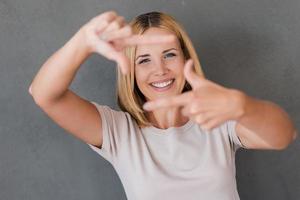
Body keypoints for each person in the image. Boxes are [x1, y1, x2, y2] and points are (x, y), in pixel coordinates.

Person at [29, 10, 297, 200]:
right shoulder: (117, 131)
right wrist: (83, 41)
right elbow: (43, 94)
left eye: (169, 55)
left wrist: (242, 105)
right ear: (129, 71)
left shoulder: (217, 118)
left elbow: (284, 135)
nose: (160, 70)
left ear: (186, 58)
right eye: (144, 60)